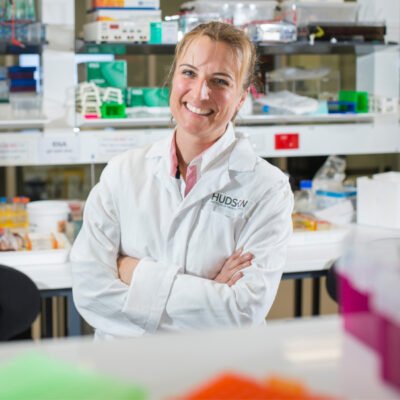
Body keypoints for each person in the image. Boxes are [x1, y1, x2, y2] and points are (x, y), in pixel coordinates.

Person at [70, 22, 293, 339]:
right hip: (127, 374)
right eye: (189, 73)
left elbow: (243, 311)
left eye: (220, 81)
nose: (201, 92)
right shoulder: (122, 172)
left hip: (212, 375)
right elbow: (91, 293)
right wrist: (208, 293)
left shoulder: (267, 188)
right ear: (173, 78)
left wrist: (134, 273)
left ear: (242, 98)